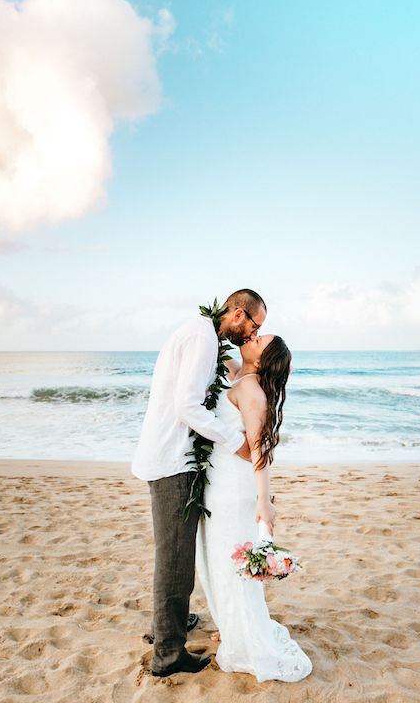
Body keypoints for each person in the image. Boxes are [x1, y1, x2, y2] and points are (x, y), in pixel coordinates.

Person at [131, 289, 266, 677]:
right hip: (173, 460)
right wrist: (234, 440)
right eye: (254, 325)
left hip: (175, 457)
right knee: (175, 560)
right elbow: (187, 405)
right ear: (238, 314)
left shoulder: (202, 335)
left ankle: (167, 628)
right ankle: (169, 653)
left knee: (175, 554)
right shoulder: (203, 337)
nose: (251, 334)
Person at [195, 333, 312, 682]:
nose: (253, 336)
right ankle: (232, 626)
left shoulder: (251, 390)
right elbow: (217, 349)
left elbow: (260, 450)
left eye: (260, 339)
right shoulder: (238, 375)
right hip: (219, 482)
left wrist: (264, 501)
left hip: (233, 489)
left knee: (229, 564)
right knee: (216, 561)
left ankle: (243, 635)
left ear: (261, 360)